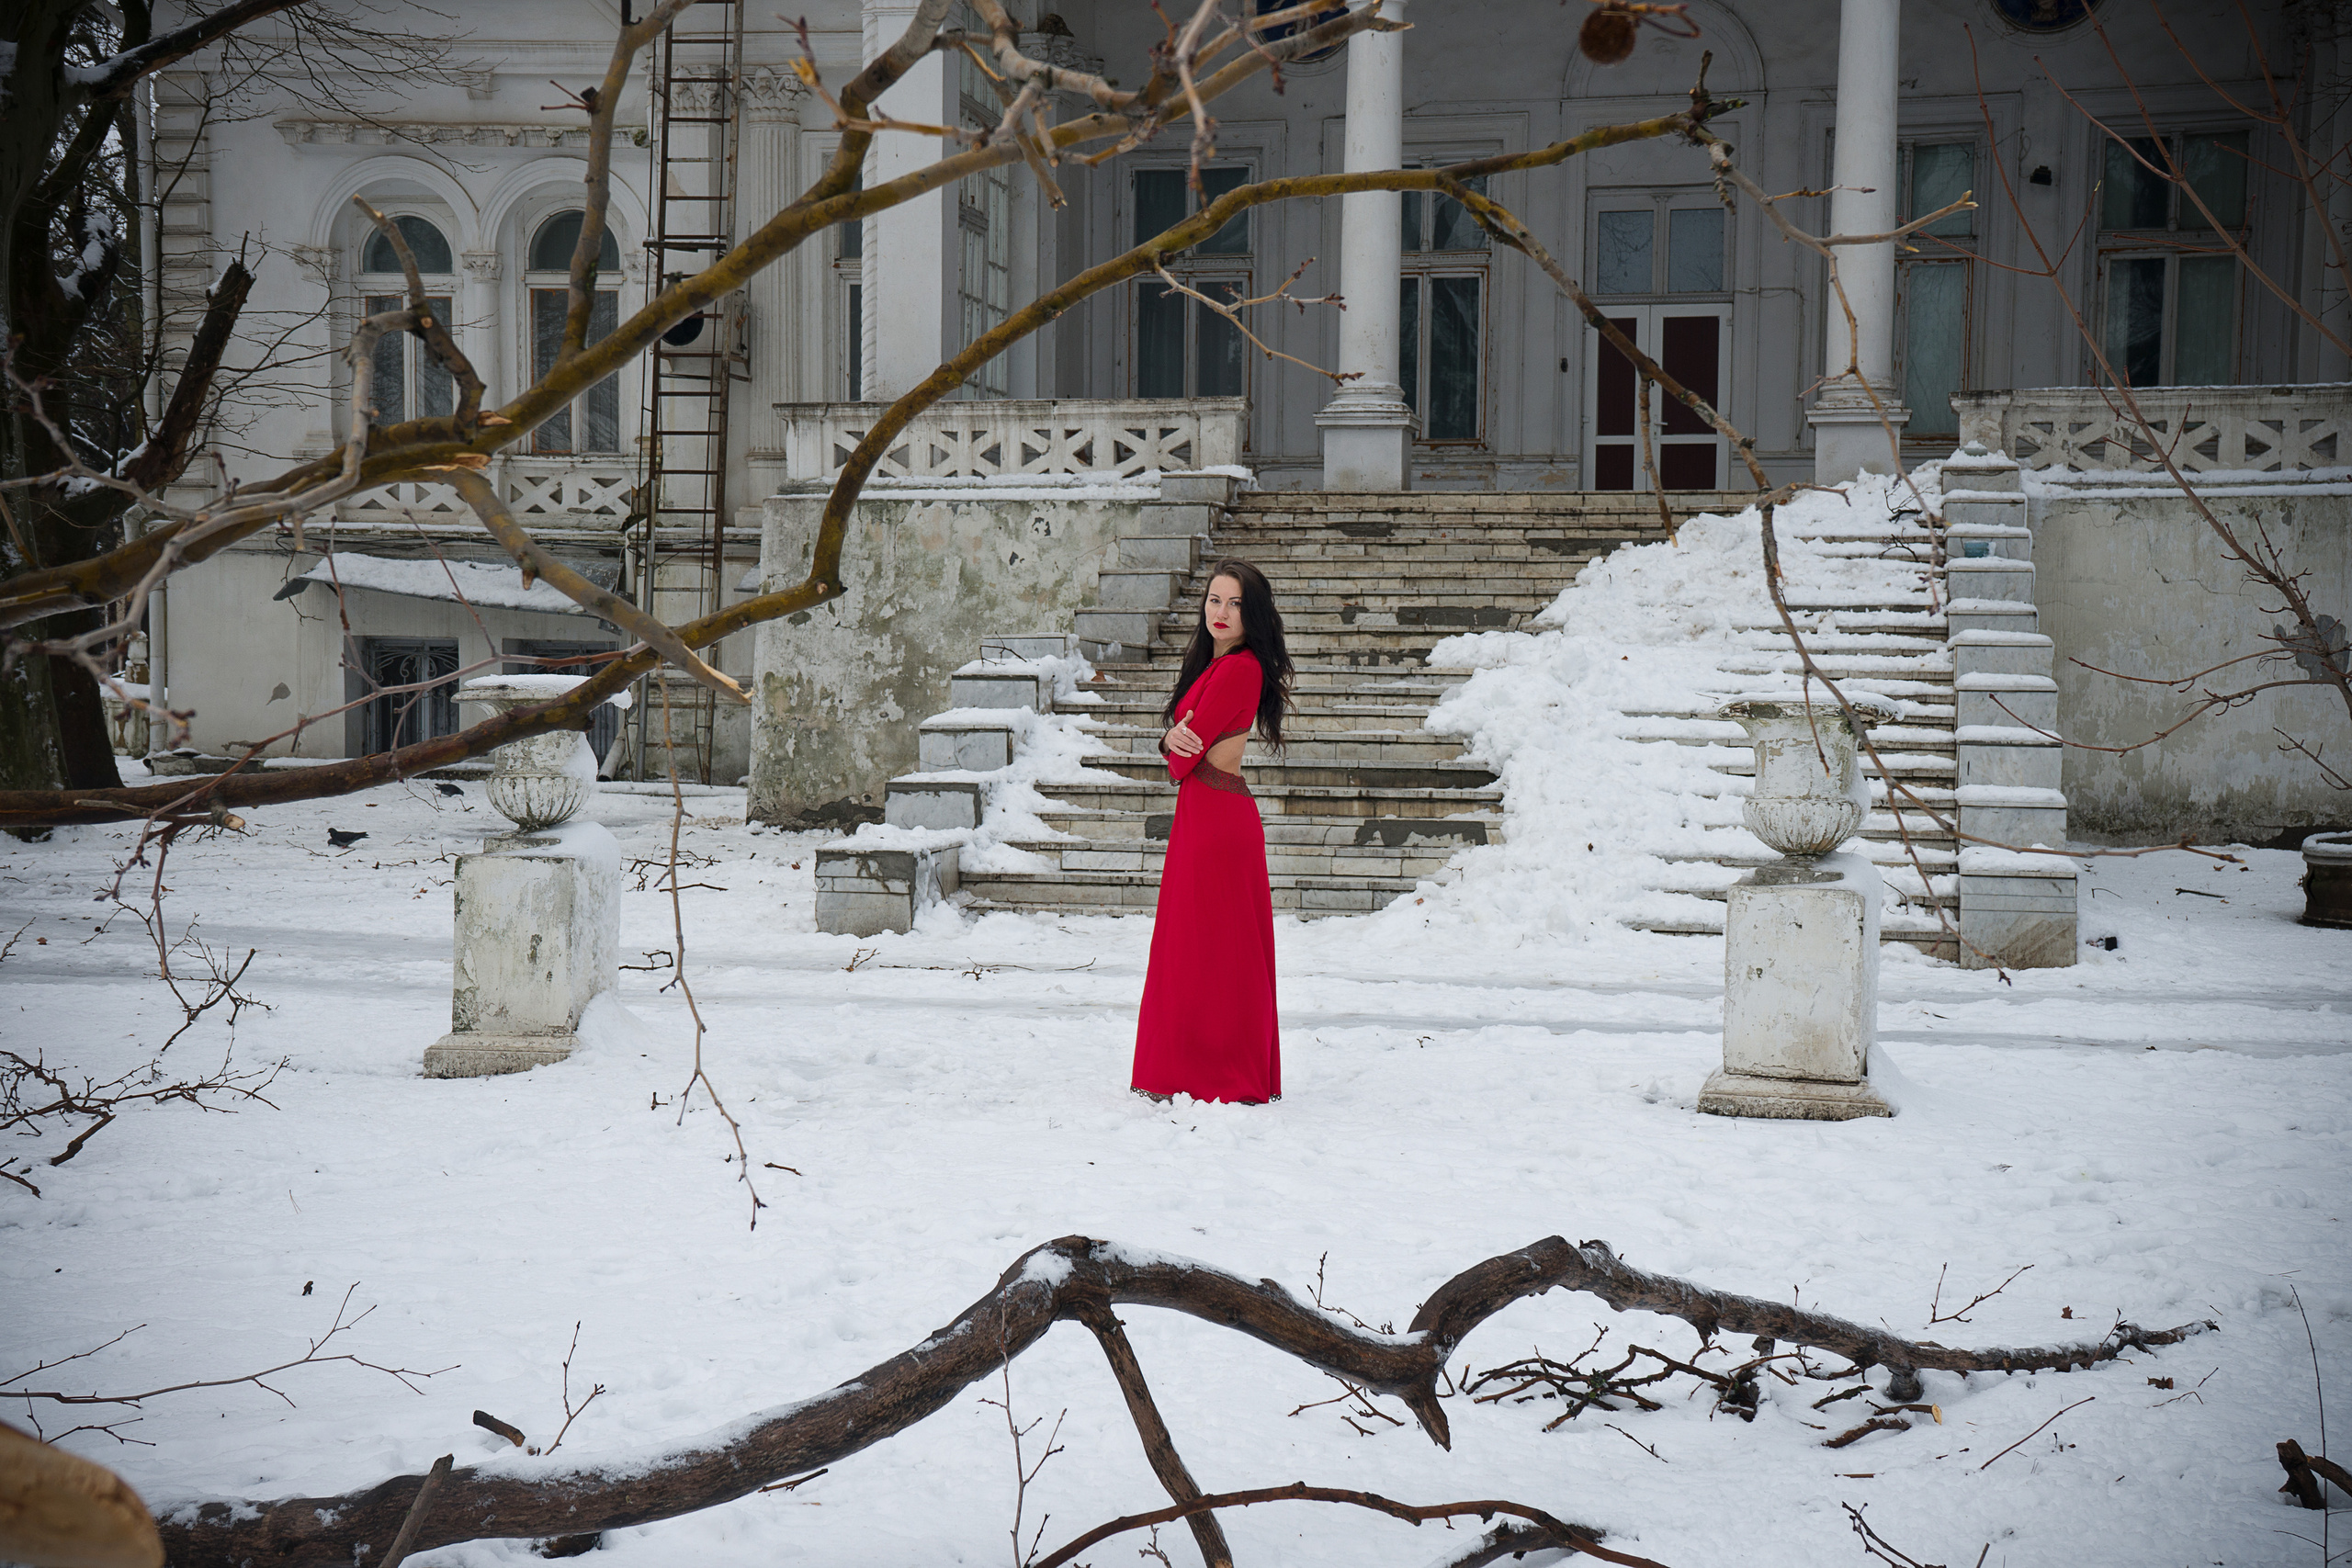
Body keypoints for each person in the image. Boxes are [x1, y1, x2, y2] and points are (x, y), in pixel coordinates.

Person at [1130, 558, 1295, 1104]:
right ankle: (1193, 1069)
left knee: (1215, 950)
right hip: (1205, 814)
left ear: (1254, 615)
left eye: (1236, 604)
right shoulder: (1214, 665)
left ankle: (1222, 1073)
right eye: (1215, 601)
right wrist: (1173, 738)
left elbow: (1182, 758)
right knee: (1194, 946)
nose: (1221, 613)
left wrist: (1175, 739)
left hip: (1216, 819)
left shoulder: (1239, 669)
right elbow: (1176, 743)